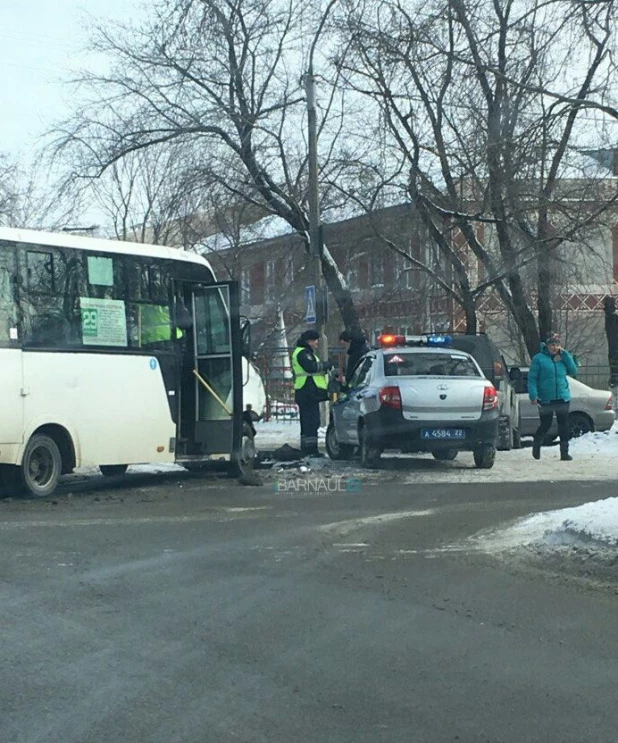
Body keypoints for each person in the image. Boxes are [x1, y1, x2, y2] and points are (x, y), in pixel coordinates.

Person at [528, 333, 578, 461]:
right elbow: (532, 379)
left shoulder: (562, 358)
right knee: (546, 424)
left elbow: (573, 371)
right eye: (552, 345)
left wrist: (566, 355)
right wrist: (533, 395)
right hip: (546, 398)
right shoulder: (538, 359)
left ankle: (564, 452)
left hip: (562, 397)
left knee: (564, 425)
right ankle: (537, 444)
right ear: (547, 345)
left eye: (557, 345)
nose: (555, 347)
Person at [291, 329, 333, 457]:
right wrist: (326, 365)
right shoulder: (303, 353)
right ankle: (311, 450)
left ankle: (307, 449)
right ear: (308, 341)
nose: (316, 343)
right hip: (307, 391)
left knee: (308, 422)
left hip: (306, 392)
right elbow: (312, 367)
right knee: (311, 422)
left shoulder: (304, 352)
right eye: (315, 341)